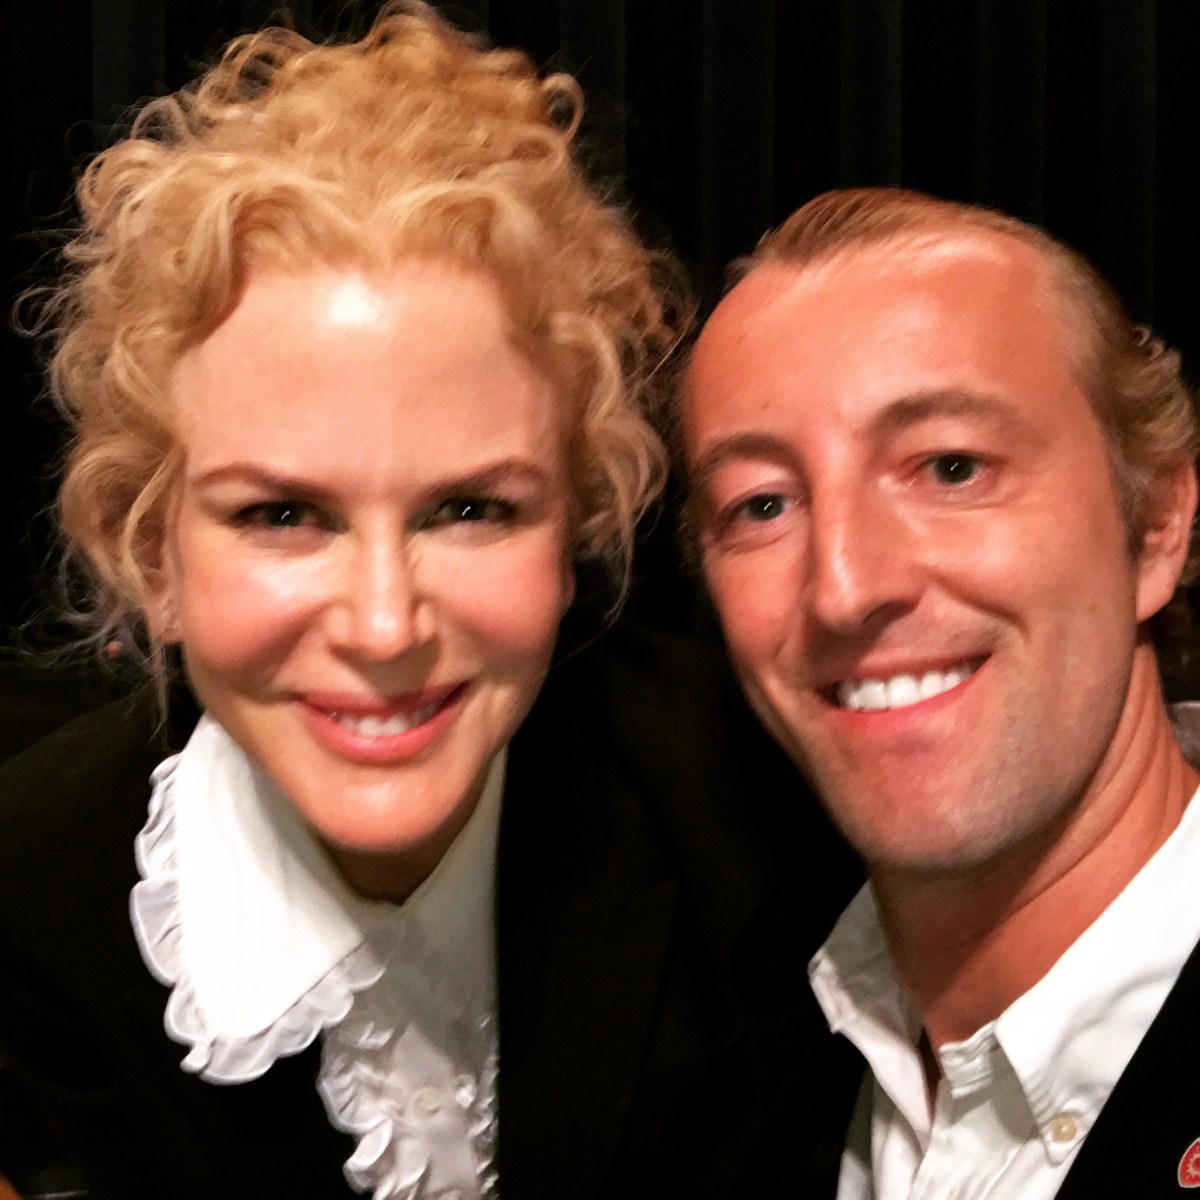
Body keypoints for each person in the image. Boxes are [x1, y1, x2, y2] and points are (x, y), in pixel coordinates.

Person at [0, 9, 854, 1198]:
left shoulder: (758, 813)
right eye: (281, 514)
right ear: (154, 558)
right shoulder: (30, 894)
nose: (384, 625)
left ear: (575, 531)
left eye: (469, 510)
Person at [681, 185, 1200, 1198]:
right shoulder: (728, 1078)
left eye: (952, 468)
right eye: (762, 505)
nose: (843, 586)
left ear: (1153, 527)